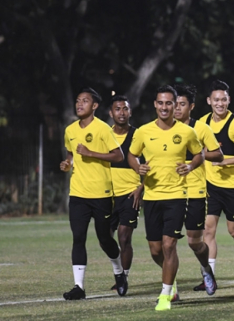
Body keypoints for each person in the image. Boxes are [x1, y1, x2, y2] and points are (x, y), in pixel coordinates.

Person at [128, 85, 206, 311]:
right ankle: (171, 279)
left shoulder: (186, 132)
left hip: (177, 195)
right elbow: (131, 155)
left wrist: (191, 165)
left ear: (175, 105)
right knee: (156, 249)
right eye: (160, 103)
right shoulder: (143, 131)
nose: (164, 107)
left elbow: (199, 154)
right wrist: (138, 168)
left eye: (169, 103)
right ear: (155, 104)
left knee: (169, 245)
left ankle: (165, 294)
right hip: (152, 196)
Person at [60, 88, 126, 300]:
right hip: (78, 193)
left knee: (105, 239)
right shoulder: (70, 129)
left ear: (94, 106)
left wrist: (91, 154)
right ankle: (78, 287)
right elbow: (70, 154)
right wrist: (67, 163)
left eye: (85, 101)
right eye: (78, 100)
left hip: (101, 194)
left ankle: (119, 272)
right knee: (78, 238)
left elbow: (118, 156)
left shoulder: (103, 129)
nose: (80, 104)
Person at [198, 80, 234, 289]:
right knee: (208, 230)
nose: (220, 103)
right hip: (210, 185)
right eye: (216, 100)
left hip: (233, 185)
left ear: (229, 100)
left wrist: (226, 161)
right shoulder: (202, 123)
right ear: (209, 101)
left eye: (224, 99)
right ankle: (209, 277)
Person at [174, 84, 224, 296]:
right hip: (167, 193)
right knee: (165, 244)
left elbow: (219, 155)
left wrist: (199, 156)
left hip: (194, 191)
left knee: (195, 242)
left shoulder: (201, 129)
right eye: (174, 104)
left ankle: (206, 270)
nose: (176, 108)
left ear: (191, 106)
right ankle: (170, 288)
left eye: (182, 104)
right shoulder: (159, 130)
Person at [108, 95, 142, 293]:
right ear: (111, 113)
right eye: (118, 109)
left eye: (125, 109)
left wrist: (141, 187)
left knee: (124, 237)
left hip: (130, 194)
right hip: (107, 195)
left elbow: (153, 163)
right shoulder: (105, 135)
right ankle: (118, 271)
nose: (122, 112)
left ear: (130, 112)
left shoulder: (139, 135)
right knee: (105, 237)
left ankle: (123, 278)